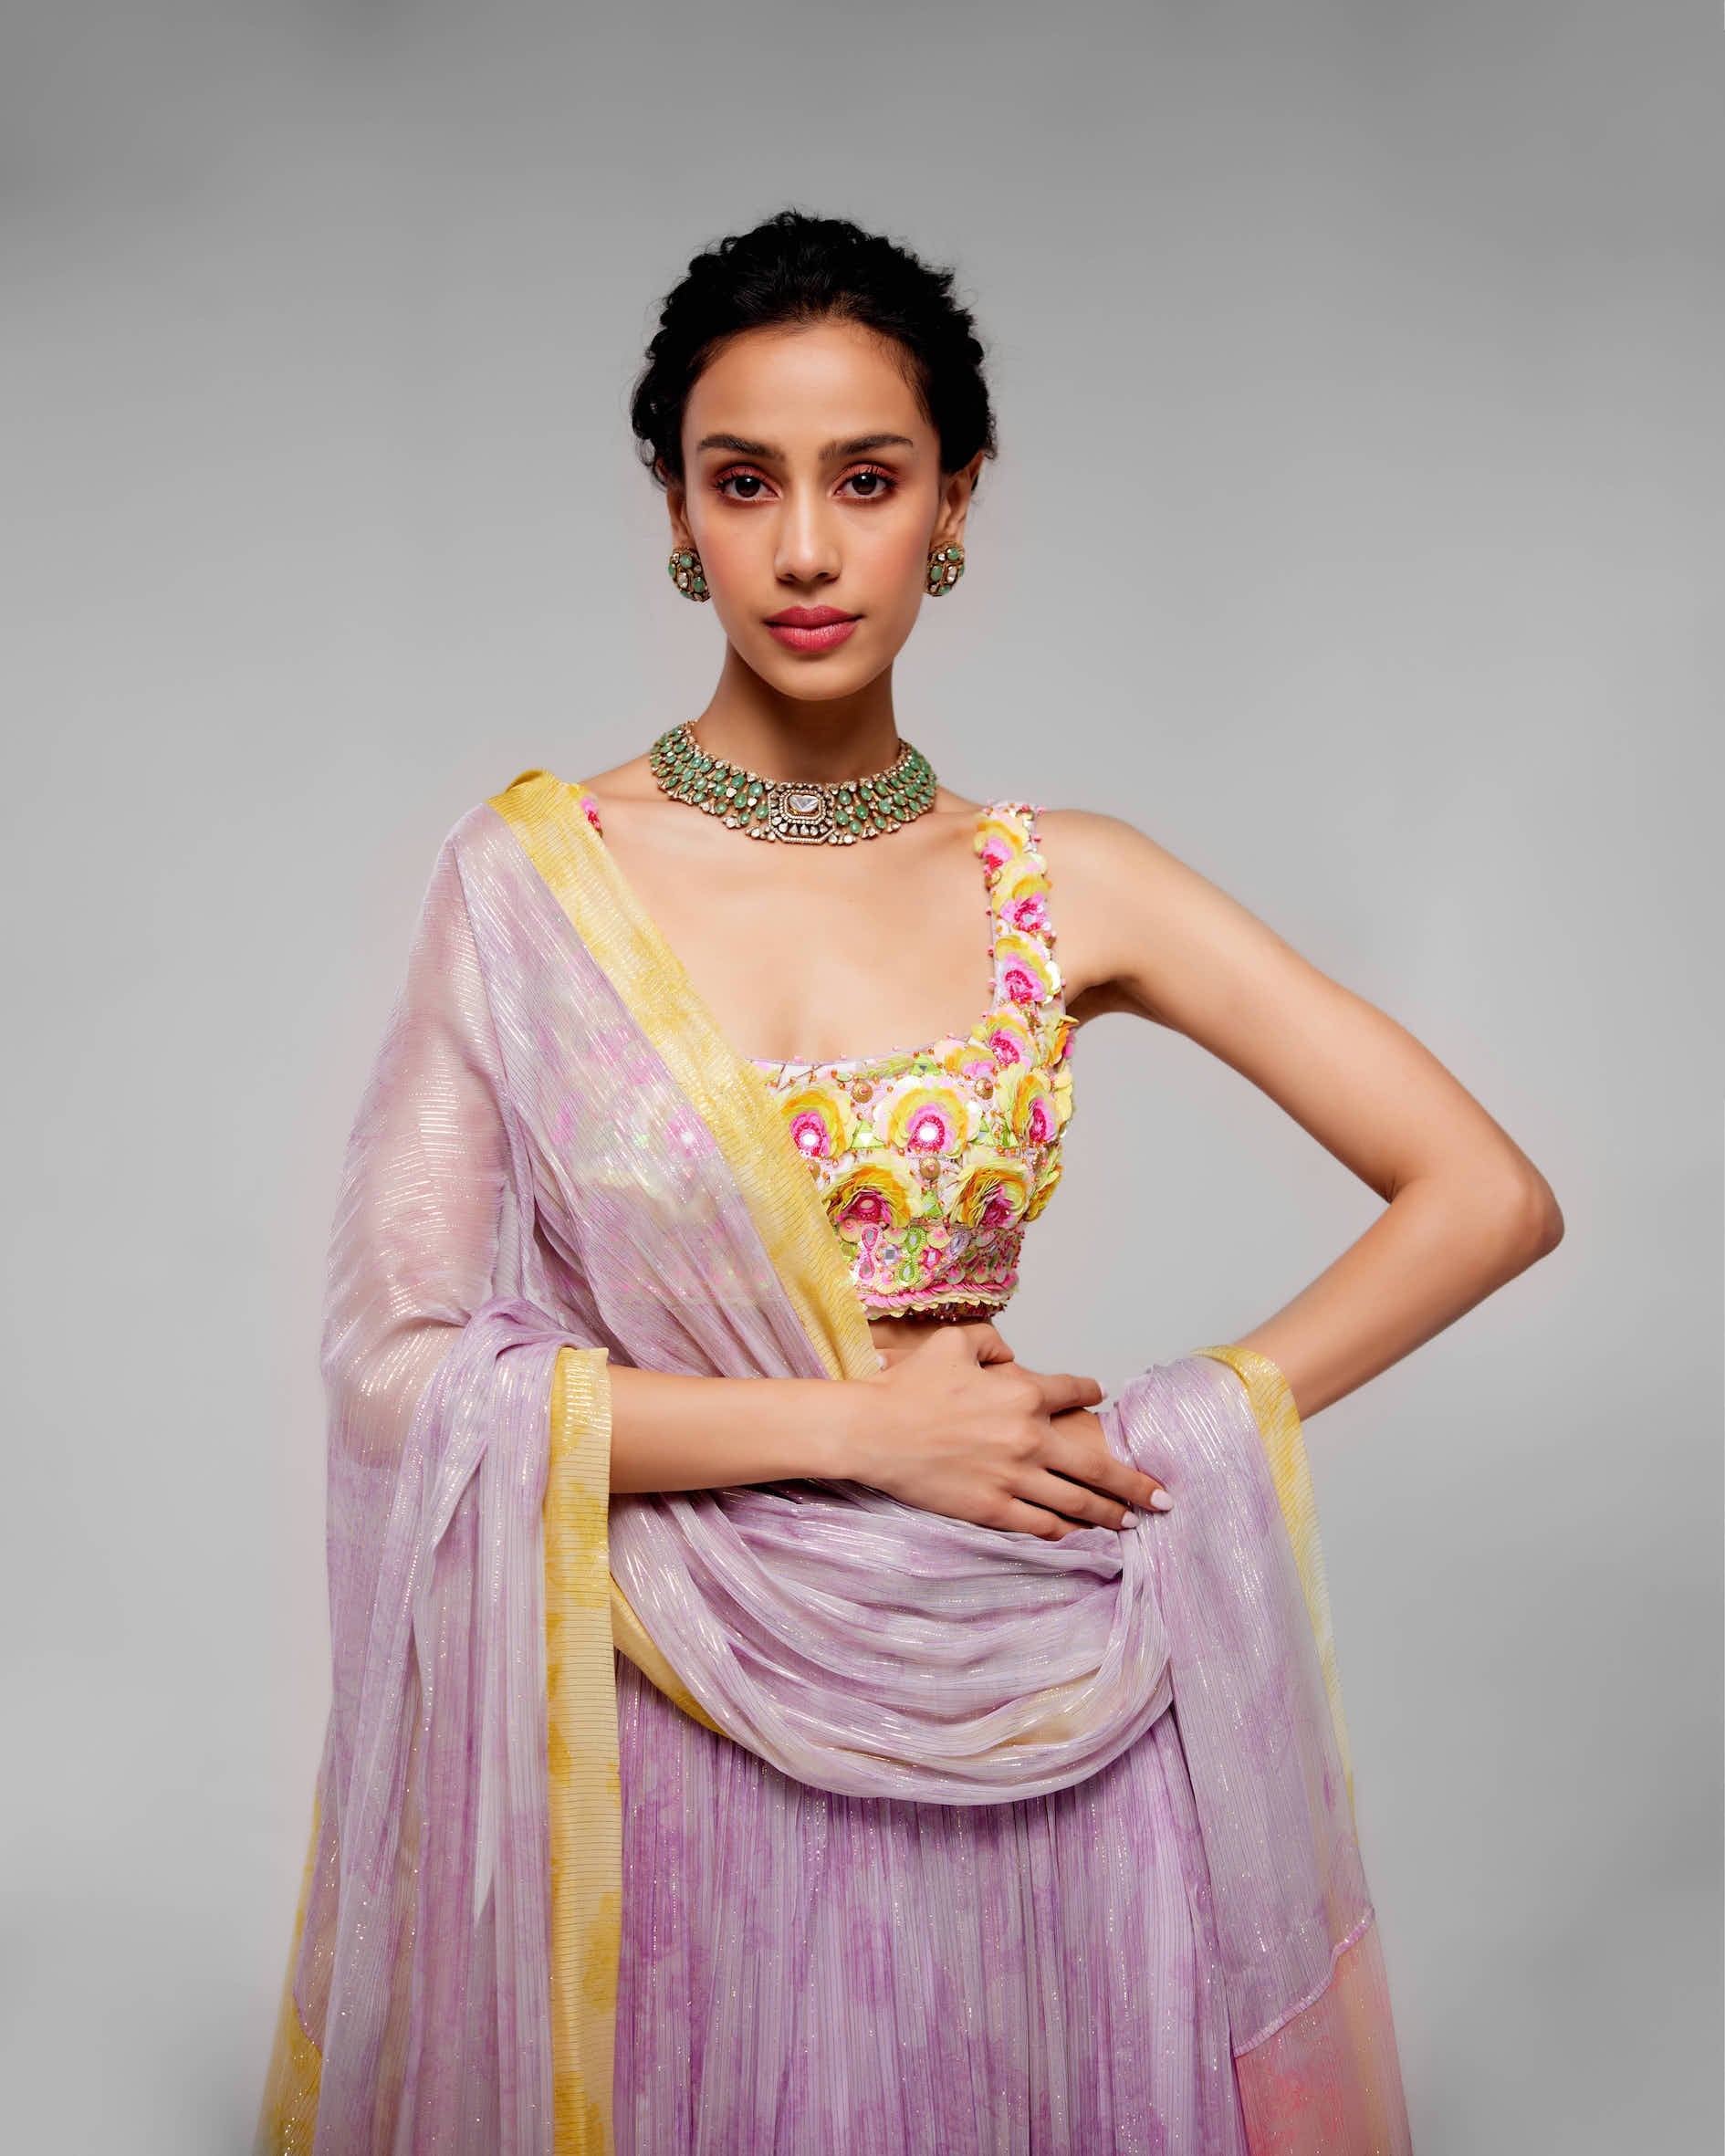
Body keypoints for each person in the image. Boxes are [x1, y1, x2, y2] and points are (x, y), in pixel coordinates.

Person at [255, 210, 1562, 2156]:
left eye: (865, 481)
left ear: (954, 502)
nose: (804, 549)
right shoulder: (537, 888)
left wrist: (1169, 1425)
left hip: (1032, 1694)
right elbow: (397, 1371)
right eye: (743, 482)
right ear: (676, 512)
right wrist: (861, 1429)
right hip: (669, 1695)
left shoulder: (1064, 881)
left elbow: (1482, 1192)